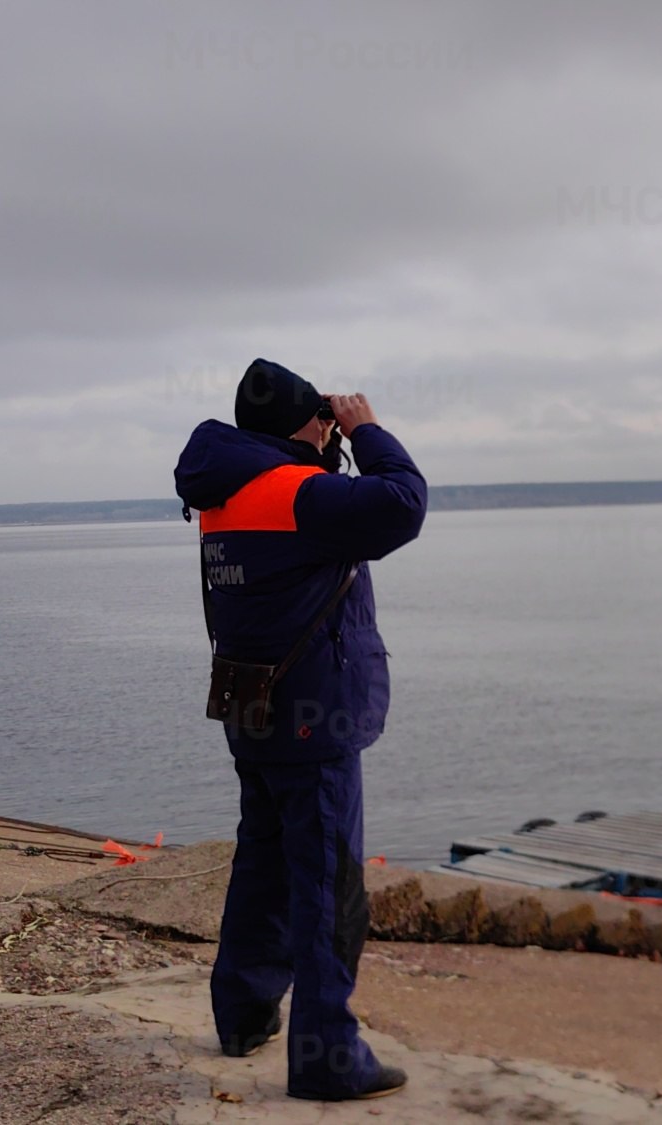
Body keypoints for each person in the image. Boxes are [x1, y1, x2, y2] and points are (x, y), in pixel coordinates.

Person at [174, 359, 427, 1102]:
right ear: (305, 425)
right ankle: (327, 1058)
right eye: (320, 420)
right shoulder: (297, 491)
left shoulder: (224, 493)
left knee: (264, 867)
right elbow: (403, 503)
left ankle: (245, 1016)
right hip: (315, 718)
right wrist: (366, 428)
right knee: (327, 887)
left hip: (256, 710)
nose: (330, 430)